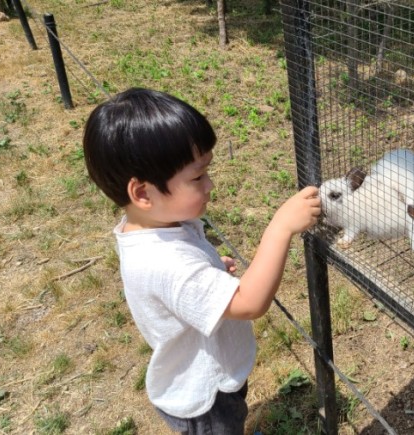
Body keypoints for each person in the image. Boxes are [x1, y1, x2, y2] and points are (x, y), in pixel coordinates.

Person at [82, 87, 321, 434]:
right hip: (205, 401)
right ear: (143, 193)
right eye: (197, 176)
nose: (210, 184)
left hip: (210, 379)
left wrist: (208, 274)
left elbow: (179, 282)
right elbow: (249, 302)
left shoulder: (154, 229)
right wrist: (281, 227)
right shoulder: (166, 262)